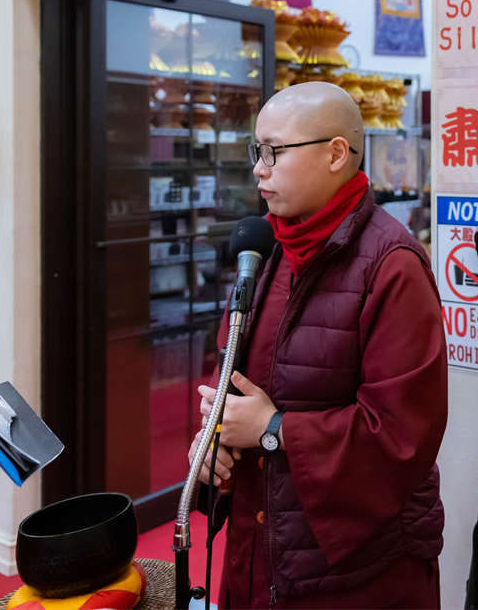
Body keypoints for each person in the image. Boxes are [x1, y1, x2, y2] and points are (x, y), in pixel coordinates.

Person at [189, 81, 448, 609]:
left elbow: (402, 435)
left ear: (335, 154)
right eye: (256, 151)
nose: (259, 169)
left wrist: (273, 430)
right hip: (260, 546)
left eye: (274, 152)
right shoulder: (263, 251)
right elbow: (234, 380)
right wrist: (215, 441)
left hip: (352, 571)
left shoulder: (392, 265)